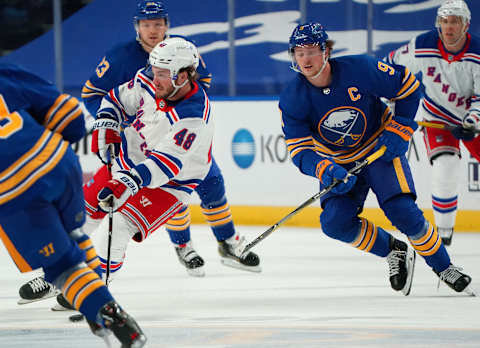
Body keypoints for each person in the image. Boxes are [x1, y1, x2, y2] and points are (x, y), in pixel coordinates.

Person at [18, 0, 260, 307]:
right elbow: (115, 97)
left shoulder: (193, 116)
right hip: (131, 158)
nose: (151, 77)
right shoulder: (150, 75)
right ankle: (56, 277)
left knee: (119, 226)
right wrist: (108, 124)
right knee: (80, 215)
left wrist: (127, 183)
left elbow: (166, 164)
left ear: (184, 76)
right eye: (153, 70)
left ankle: (93, 291)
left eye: (161, 74)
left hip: (169, 183)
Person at [279, 22, 473, 296]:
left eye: (311, 50)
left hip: (380, 149)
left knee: (401, 211)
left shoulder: (360, 68)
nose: (305, 59)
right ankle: (394, 251)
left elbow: (407, 85)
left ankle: (444, 267)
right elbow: (299, 150)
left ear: (326, 51)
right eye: (298, 53)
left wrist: (401, 125)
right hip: (341, 163)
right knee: (335, 222)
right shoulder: (291, 98)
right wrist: (324, 168)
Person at [81, 0, 260, 276]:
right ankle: (183, 244)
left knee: (206, 181)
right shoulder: (120, 57)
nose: (153, 30)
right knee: (102, 207)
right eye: (146, 24)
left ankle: (227, 241)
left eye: (158, 24)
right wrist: (116, 122)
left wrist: (166, 107)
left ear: (167, 26)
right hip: (139, 138)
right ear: (137, 27)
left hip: (176, 137)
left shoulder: (184, 54)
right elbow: (95, 94)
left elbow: (200, 85)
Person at [0, 63, 146, 347]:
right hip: (59, 162)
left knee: (64, 268)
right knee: (74, 235)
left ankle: (104, 311)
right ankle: (91, 295)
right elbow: (70, 119)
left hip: (15, 194)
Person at [385, 0, 480, 246]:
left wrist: (472, 121)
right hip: (437, 117)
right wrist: (385, 99)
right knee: (445, 168)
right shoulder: (422, 45)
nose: (448, 28)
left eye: (455, 22)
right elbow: (389, 66)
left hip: (473, 121)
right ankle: (444, 236)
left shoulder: (477, 54)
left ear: (466, 25)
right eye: (444, 21)